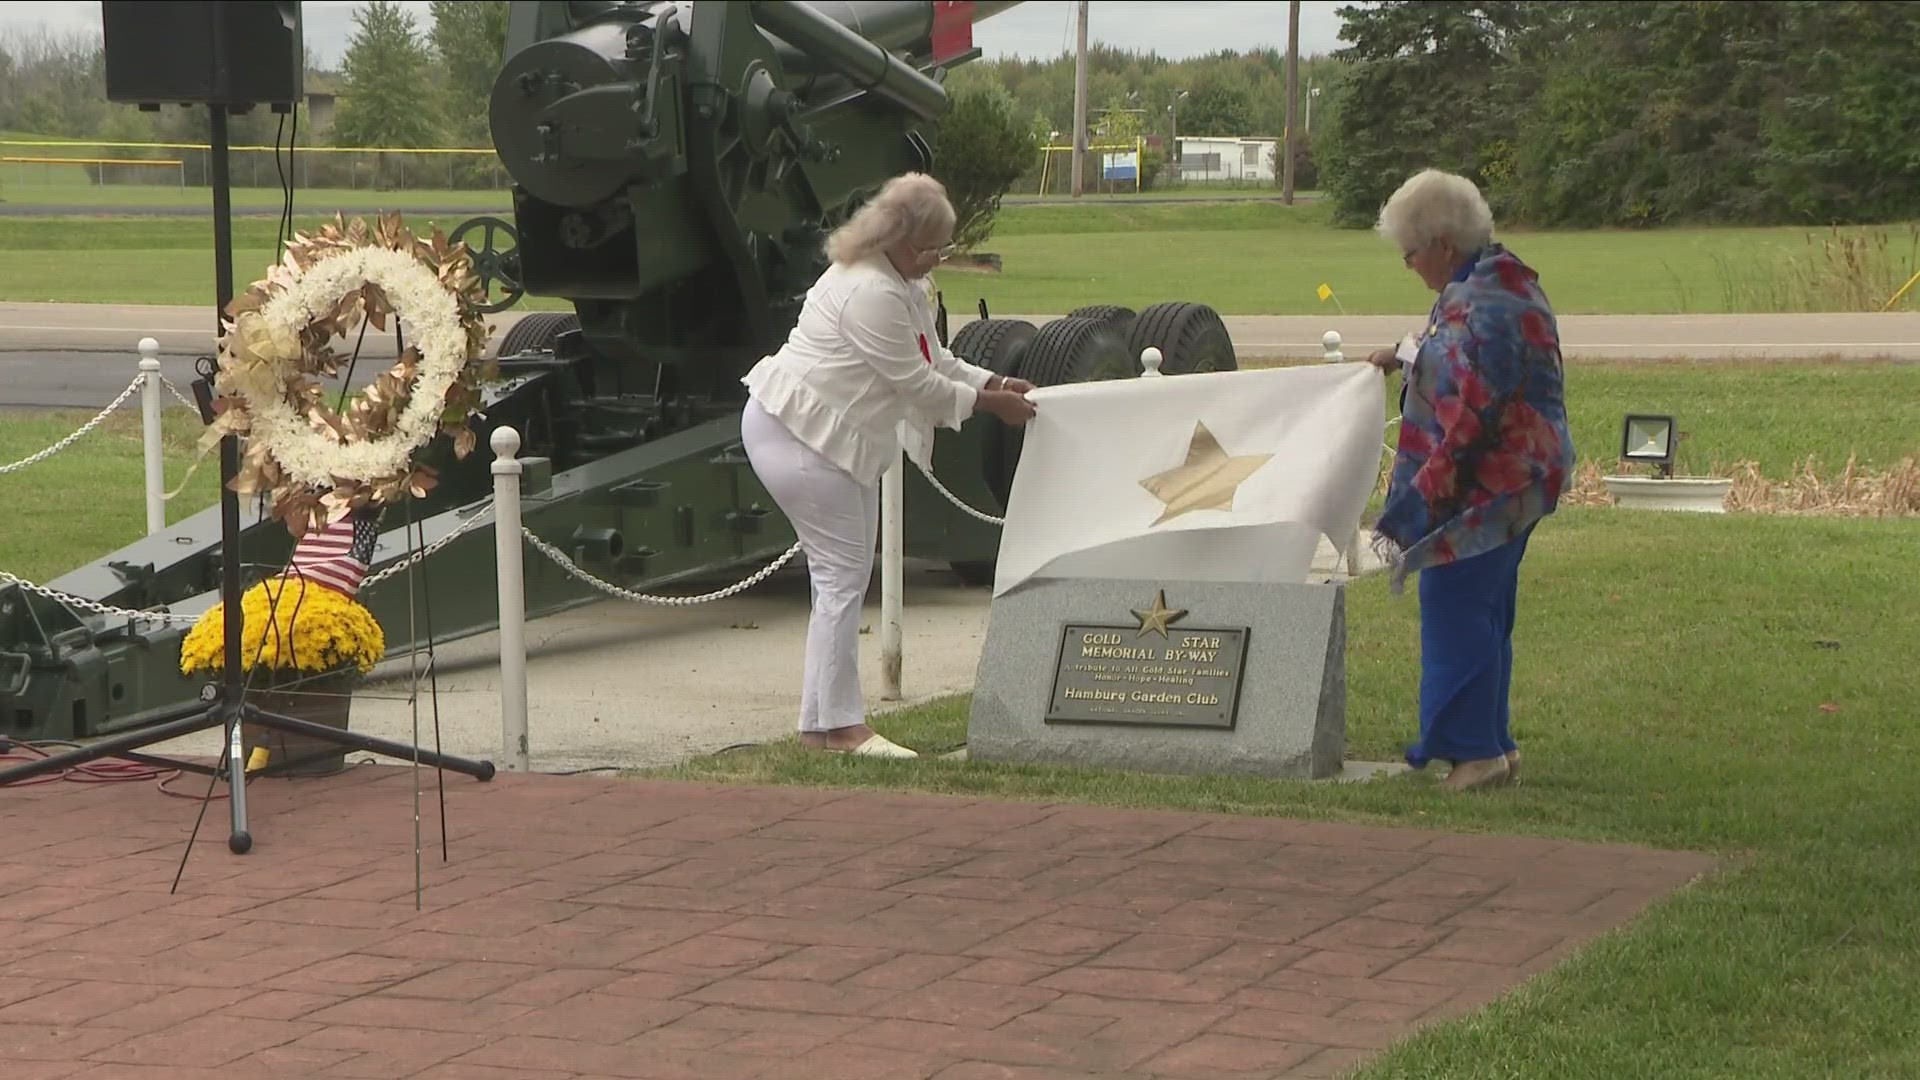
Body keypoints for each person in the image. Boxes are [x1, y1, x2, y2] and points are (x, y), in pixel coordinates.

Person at [739, 173, 1038, 758]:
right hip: (799, 433)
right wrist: (989, 404)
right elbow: (916, 383)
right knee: (842, 578)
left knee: (842, 579)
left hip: (829, 435)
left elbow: (936, 356)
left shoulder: (899, 281)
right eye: (930, 248)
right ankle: (843, 729)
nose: (936, 259)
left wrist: (993, 380)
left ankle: (820, 727)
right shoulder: (868, 290)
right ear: (898, 237)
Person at [1362, 169, 1575, 792]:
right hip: (1524, 478)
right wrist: (1402, 355)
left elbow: (1470, 410)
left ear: (1442, 246)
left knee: (1454, 608)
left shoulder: (1474, 304)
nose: (1409, 266)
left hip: (1488, 487)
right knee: (1486, 613)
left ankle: (1471, 754)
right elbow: (1454, 356)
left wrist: (1423, 499)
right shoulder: (1501, 280)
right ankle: (1497, 746)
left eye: (1410, 253)